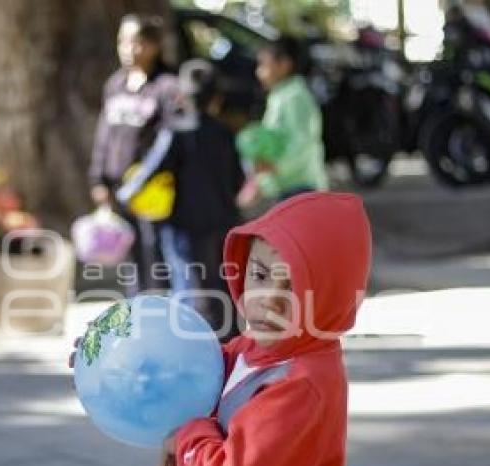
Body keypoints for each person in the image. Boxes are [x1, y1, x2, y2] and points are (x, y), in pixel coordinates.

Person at [157, 192, 372, 466]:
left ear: (330, 295)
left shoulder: (300, 385)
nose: (269, 299)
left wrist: (188, 436)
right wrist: (120, 360)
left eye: (293, 285)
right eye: (259, 274)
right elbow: (198, 373)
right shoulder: (251, 347)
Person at [116, 59, 242, 337]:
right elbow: (238, 179)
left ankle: (189, 341)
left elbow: (151, 169)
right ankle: (230, 342)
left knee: (186, 284)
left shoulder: (175, 133)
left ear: (182, 96)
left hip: (183, 223)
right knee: (222, 283)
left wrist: (125, 195)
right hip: (223, 220)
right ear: (217, 99)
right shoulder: (224, 134)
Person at [88, 14, 178, 295]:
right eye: (123, 42)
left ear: (154, 46)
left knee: (155, 257)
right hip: (119, 188)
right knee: (131, 260)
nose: (128, 49)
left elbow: (169, 141)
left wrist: (140, 179)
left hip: (152, 191)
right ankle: (136, 314)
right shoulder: (115, 85)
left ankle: (161, 314)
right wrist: (98, 179)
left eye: (136, 42)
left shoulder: (166, 87)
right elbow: (105, 133)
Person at [235, 36, 328, 207]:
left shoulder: (294, 97)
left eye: (263, 64)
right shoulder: (281, 95)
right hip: (288, 188)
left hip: (301, 188)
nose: (258, 71)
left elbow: (302, 143)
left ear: (284, 64)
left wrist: (272, 166)